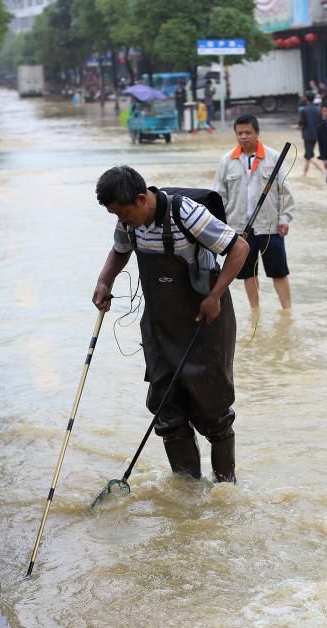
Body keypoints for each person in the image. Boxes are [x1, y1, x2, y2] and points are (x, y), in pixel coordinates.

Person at [93, 166, 249, 482]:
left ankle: (225, 489)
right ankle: (186, 496)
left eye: (123, 213)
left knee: (213, 413)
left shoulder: (185, 214)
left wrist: (215, 295)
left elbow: (239, 248)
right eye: (115, 216)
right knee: (167, 412)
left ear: (140, 199)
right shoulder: (129, 223)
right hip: (159, 326)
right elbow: (119, 250)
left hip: (205, 320)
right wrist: (103, 281)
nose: (121, 221)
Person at [214, 114, 295, 310]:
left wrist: (284, 218)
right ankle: (255, 312)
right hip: (240, 228)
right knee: (248, 273)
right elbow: (219, 195)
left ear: (257, 133)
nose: (243, 136)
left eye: (247, 132)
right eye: (239, 133)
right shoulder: (227, 161)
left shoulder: (273, 157)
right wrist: (221, 224)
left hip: (269, 226)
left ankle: (287, 311)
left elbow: (285, 191)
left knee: (279, 271)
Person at [298, 92, 324, 175]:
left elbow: (302, 123)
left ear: (305, 99)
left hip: (307, 135)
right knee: (308, 154)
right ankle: (304, 174)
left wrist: (298, 126)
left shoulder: (304, 110)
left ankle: (323, 171)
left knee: (308, 155)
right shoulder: (318, 110)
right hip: (316, 135)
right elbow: (321, 123)